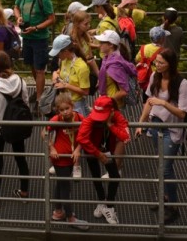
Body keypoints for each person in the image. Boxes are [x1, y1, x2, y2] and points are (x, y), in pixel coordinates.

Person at [134, 48, 187, 224]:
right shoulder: (154, 77)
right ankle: (165, 198)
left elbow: (182, 114)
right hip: (155, 125)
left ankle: (173, 207)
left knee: (166, 169)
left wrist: (164, 103)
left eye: (161, 63)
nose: (157, 65)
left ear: (171, 64)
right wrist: (141, 123)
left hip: (171, 129)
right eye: (156, 62)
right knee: (161, 166)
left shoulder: (181, 83)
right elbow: (149, 102)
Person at [0, 51, 31, 208]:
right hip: (17, 126)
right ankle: (24, 191)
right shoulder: (21, 82)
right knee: (21, 158)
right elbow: (25, 102)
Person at [78, 95, 130, 225]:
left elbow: (126, 137)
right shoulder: (90, 118)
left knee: (115, 176)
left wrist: (111, 125)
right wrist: (98, 154)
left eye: (103, 114)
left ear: (112, 111)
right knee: (95, 176)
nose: (99, 118)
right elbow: (82, 138)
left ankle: (109, 206)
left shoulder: (117, 115)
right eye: (98, 114)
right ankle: (101, 200)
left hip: (108, 149)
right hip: (92, 149)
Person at [13, 0, 56, 108]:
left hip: (39, 38)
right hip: (27, 37)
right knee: (32, 65)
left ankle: (39, 99)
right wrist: (18, 17)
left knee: (40, 69)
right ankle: (39, 91)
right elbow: (16, 7)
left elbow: (52, 19)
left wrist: (36, 28)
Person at [46, 92, 87, 229]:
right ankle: (70, 217)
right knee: (65, 187)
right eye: (61, 110)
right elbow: (44, 132)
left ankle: (58, 212)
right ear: (58, 111)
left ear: (72, 106)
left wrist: (78, 149)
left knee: (60, 183)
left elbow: (84, 134)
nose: (65, 112)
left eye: (67, 108)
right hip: (60, 159)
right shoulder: (57, 119)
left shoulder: (79, 117)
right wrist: (52, 148)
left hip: (71, 157)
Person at [50, 34, 91, 118]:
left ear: (65, 51)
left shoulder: (81, 67)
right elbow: (60, 72)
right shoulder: (64, 60)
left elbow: (85, 92)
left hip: (76, 106)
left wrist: (65, 85)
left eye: (58, 53)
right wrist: (55, 74)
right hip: (64, 104)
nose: (57, 56)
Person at [94, 31, 137, 109]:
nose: (99, 45)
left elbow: (123, 91)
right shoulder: (107, 59)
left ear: (111, 45)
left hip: (113, 106)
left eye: (102, 43)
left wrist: (106, 102)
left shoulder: (115, 65)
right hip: (108, 102)